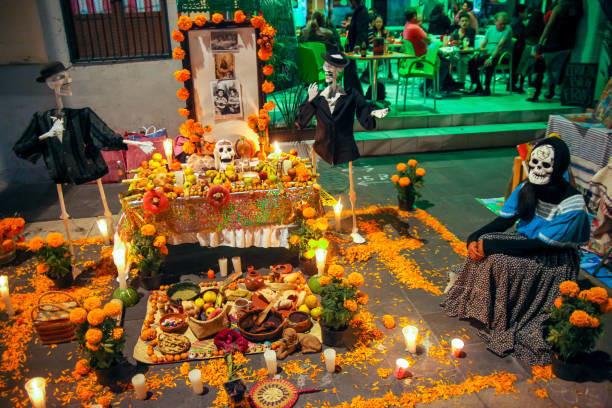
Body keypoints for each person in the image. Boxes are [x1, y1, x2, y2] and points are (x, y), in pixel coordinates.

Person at [444, 137, 590, 365]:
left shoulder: (573, 204)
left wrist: (492, 245)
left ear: (558, 167)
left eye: (545, 165)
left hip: (554, 258)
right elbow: (504, 221)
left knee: (500, 260)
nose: (537, 170)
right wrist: (475, 237)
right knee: (486, 243)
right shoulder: (526, 188)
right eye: (534, 164)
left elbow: (543, 244)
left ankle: (505, 316)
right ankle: (481, 307)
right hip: (527, 241)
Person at [527, 0, 582, 102]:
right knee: (555, 71)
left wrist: (540, 42)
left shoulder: (559, 7)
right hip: (567, 45)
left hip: (552, 44)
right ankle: (551, 92)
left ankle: (535, 94)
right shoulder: (577, 7)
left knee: (540, 70)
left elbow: (549, 26)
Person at [467, 11, 512, 96]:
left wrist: (491, 58)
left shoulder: (507, 29)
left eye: (504, 24)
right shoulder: (490, 29)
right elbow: (484, 42)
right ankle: (479, 87)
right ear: (495, 22)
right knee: (471, 62)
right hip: (488, 53)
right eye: (501, 23)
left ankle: (487, 89)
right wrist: (477, 52)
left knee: (489, 63)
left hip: (501, 54)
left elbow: (500, 46)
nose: (503, 26)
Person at [513, 6, 545, 93]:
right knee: (532, 67)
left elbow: (525, 36)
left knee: (523, 66)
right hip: (535, 48)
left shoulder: (529, 26)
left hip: (527, 47)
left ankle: (520, 86)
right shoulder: (542, 27)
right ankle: (533, 85)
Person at [344, 0, 370, 95]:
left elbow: (362, 30)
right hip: (352, 44)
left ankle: (354, 94)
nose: (350, 2)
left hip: (356, 45)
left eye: (350, 1)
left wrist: (358, 44)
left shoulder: (362, 12)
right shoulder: (358, 11)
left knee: (349, 70)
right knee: (350, 70)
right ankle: (355, 94)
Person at [449, 12, 477, 86]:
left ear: (469, 22)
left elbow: (468, 43)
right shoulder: (455, 32)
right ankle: (448, 82)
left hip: (468, 54)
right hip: (457, 53)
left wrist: (459, 43)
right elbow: (452, 43)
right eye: (462, 21)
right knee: (446, 60)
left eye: (466, 21)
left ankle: (461, 83)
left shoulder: (471, 31)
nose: (464, 23)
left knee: (461, 60)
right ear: (459, 23)